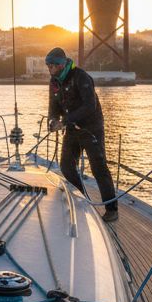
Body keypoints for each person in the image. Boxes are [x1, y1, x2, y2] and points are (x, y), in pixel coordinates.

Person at [45, 47, 119, 222]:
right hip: (71, 129)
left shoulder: (81, 77)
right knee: (66, 166)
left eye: (53, 65)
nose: (50, 68)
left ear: (62, 65)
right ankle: (83, 197)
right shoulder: (54, 82)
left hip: (91, 128)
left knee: (99, 168)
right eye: (48, 65)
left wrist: (65, 121)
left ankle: (112, 209)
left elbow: (89, 106)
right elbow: (53, 105)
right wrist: (53, 120)